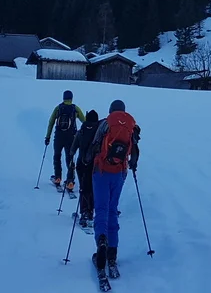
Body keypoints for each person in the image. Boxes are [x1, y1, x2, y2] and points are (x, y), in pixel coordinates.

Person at [90, 99, 140, 282]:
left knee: (101, 209)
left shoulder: (104, 124)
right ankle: (113, 253)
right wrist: (132, 166)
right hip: (120, 173)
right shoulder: (131, 126)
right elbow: (134, 151)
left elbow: (94, 146)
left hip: (101, 171)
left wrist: (87, 162)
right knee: (112, 210)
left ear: (110, 110)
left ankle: (101, 243)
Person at [44, 90, 84, 191]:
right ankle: (70, 181)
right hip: (71, 138)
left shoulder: (58, 108)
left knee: (57, 156)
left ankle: (57, 178)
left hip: (58, 137)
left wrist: (47, 137)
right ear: (71, 98)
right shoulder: (75, 109)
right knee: (70, 158)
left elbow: (51, 122)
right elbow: (84, 120)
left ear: (63, 98)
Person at [73, 109, 100, 228]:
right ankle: (91, 212)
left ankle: (84, 212)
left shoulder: (81, 131)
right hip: (95, 166)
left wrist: (71, 160)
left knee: (84, 188)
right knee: (93, 189)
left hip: (81, 165)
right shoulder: (99, 133)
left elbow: (72, 149)